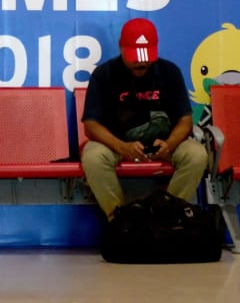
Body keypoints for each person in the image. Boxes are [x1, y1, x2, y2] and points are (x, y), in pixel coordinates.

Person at [80, 18, 208, 218]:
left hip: (164, 144)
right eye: (135, 56)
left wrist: (169, 144)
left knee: (197, 155)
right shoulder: (104, 74)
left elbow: (185, 120)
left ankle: (165, 216)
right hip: (117, 145)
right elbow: (91, 125)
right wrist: (121, 147)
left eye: (146, 55)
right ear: (121, 47)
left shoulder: (170, 72)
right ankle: (121, 220)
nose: (141, 62)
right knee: (93, 157)